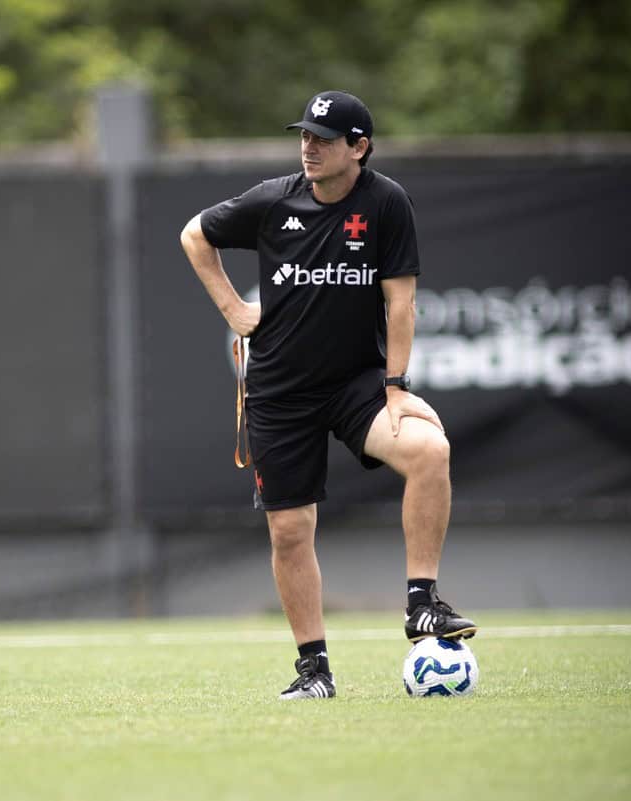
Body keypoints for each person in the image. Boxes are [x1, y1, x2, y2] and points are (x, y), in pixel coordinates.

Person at [179, 90, 477, 700]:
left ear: (359, 147)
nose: (308, 147)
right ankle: (314, 671)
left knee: (429, 451)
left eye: (323, 138)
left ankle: (422, 603)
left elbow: (401, 302)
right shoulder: (273, 200)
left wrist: (395, 388)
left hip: (354, 386)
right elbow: (193, 235)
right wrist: (236, 309)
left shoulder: (387, 202)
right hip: (280, 392)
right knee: (290, 532)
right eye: (304, 136)